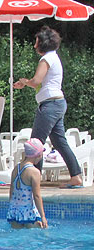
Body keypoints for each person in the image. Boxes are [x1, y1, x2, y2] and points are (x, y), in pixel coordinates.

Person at [13, 26, 83, 188]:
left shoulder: (46, 59)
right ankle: (76, 176)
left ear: (43, 43)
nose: (34, 45)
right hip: (58, 103)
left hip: (50, 105)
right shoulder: (54, 57)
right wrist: (26, 83)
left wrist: (24, 82)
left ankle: (33, 179)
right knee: (59, 142)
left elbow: (36, 81)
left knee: (35, 143)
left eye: (36, 42)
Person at [7, 138, 49, 229]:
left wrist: (12, 208)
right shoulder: (34, 172)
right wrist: (43, 216)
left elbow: (11, 191)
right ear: (38, 155)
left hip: (15, 211)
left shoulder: (16, 168)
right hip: (28, 212)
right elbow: (37, 196)